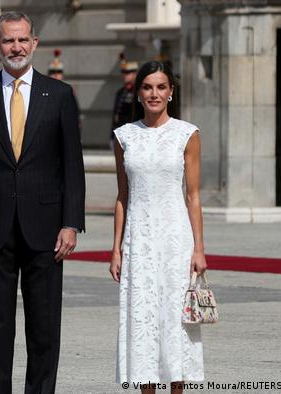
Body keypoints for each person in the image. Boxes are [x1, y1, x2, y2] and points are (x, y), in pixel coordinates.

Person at [0, 11, 86, 393]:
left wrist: (70, 222)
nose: (16, 47)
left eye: (23, 39)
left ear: (34, 43)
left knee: (44, 325)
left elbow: (72, 167)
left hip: (46, 228)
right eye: (9, 40)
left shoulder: (59, 95)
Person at [109, 60, 206, 393]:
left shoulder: (187, 134)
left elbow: (193, 196)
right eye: (147, 87)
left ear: (170, 93)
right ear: (138, 94)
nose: (154, 93)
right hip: (139, 240)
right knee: (143, 319)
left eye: (161, 87)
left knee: (175, 318)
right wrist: (116, 249)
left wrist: (199, 248)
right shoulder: (123, 137)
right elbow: (122, 196)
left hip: (176, 239)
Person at [110, 53, 138, 148]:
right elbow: (115, 115)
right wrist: (112, 135)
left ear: (135, 74)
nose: (125, 75)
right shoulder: (120, 92)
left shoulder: (138, 92)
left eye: (128, 73)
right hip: (120, 132)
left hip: (133, 134)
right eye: (124, 72)